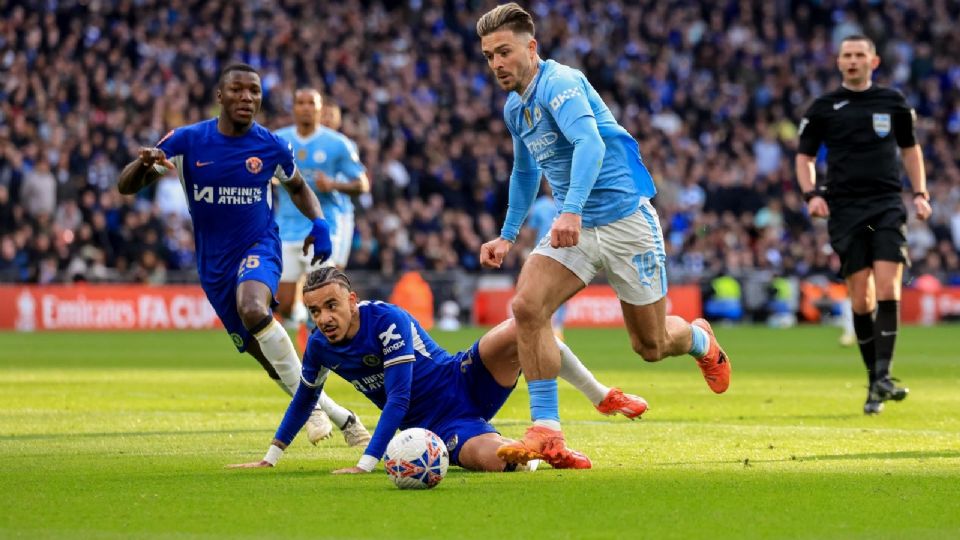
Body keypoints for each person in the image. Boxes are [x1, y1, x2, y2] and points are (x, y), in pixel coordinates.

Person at [475, 3, 731, 468]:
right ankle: (546, 429)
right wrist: (508, 235)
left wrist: (570, 208)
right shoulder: (516, 107)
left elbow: (589, 144)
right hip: (575, 227)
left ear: (531, 48)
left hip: (625, 221)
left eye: (504, 52)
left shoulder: (561, 83)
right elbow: (525, 168)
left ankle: (698, 340)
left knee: (650, 346)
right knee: (527, 307)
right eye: (489, 55)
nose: (496, 64)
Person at [117, 63, 369, 447]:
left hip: (259, 246)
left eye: (254, 91)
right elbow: (126, 186)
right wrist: (143, 164)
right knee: (269, 359)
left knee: (255, 309)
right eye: (237, 90)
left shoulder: (269, 145)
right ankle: (339, 414)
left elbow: (298, 186)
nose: (247, 98)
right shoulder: (187, 141)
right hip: (214, 266)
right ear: (220, 96)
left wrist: (319, 223)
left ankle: (314, 412)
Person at [227, 267, 650, 472]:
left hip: (462, 379)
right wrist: (270, 458)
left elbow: (398, 397)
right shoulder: (320, 346)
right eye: (316, 310)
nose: (323, 318)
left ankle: (601, 396)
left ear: (352, 300)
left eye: (332, 306)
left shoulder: (386, 319)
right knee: (496, 461)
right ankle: (538, 455)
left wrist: (367, 463)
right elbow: (305, 397)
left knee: (523, 324)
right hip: (432, 428)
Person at [796, 35, 931, 415]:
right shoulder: (824, 108)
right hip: (845, 209)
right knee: (861, 298)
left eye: (859, 55)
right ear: (839, 62)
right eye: (846, 55)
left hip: (887, 205)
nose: (853, 61)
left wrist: (920, 193)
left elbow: (910, 149)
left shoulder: (893, 103)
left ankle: (884, 376)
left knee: (889, 286)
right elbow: (804, 157)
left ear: (874, 62)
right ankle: (875, 382)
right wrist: (812, 195)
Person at [273, 89, 370, 354]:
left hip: (323, 228)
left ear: (319, 109)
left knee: (325, 294)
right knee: (282, 303)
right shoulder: (280, 140)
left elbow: (362, 184)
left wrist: (334, 184)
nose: (305, 108)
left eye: (311, 104)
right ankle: (305, 327)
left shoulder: (337, 144)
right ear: (293, 108)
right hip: (287, 229)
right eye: (300, 103)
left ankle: (336, 349)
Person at [524, 180, 568, 339]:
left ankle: (557, 327)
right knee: (541, 292)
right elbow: (531, 231)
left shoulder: (568, 203)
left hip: (565, 253)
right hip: (543, 254)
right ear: (544, 186)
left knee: (560, 291)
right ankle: (544, 325)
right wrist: (527, 249)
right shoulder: (539, 206)